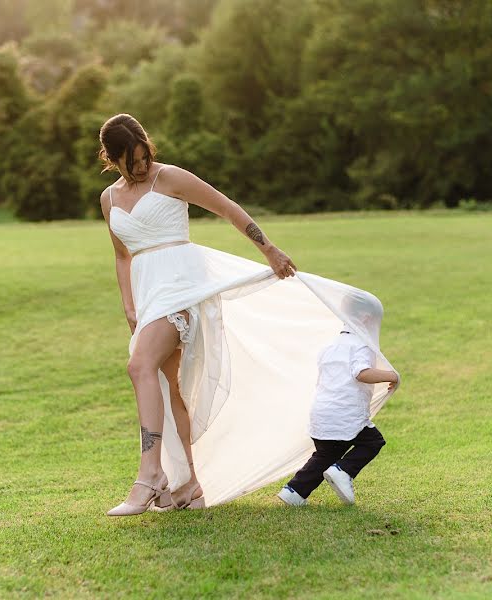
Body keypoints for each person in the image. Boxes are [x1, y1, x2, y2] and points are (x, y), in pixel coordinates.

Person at [99, 113, 399, 516]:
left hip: (184, 288)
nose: (141, 166)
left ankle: (150, 474)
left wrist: (269, 249)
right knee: (170, 388)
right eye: (131, 160)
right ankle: (188, 486)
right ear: (112, 157)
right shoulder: (110, 199)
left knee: (139, 366)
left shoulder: (168, 178)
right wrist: (130, 307)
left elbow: (226, 207)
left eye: (144, 156)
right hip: (150, 295)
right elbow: (122, 256)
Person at [277, 309, 398, 507]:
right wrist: (391, 376)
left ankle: (294, 492)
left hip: (322, 413)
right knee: (372, 442)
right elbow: (361, 373)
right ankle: (343, 471)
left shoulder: (330, 345)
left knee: (327, 454)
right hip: (344, 414)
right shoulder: (362, 345)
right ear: (366, 319)